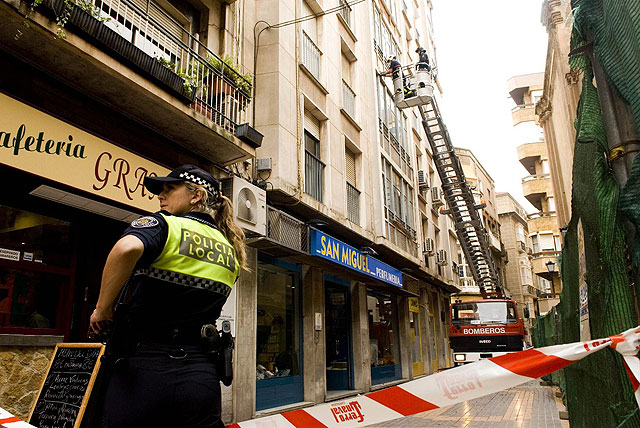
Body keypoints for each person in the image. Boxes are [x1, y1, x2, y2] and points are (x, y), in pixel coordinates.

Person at [89, 164, 246, 428]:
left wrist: (102, 309)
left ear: (195, 196)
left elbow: (126, 248)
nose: (160, 196)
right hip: (201, 374)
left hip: (145, 369)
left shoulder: (164, 225)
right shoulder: (230, 249)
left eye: (169, 189)